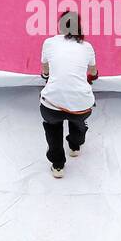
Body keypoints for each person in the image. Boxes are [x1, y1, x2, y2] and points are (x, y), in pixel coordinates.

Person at [39, 10, 97, 178]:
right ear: (78, 27)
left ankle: (57, 166)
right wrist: (91, 75)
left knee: (52, 126)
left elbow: (45, 70)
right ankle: (75, 146)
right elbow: (93, 71)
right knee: (78, 119)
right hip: (81, 106)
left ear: (60, 25)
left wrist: (47, 77)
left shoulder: (49, 43)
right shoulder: (87, 47)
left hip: (52, 105)